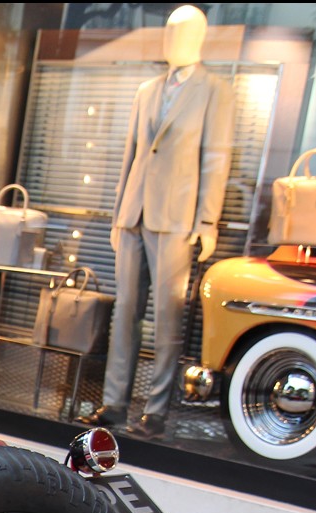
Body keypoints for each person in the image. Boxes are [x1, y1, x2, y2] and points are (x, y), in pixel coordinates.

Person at [82, 4, 233, 440]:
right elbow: (130, 155)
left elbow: (215, 160)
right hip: (135, 213)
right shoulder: (146, 90)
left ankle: (157, 409)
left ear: (200, 39)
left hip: (177, 219)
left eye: (183, 33)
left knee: (167, 317)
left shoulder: (214, 91)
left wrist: (208, 220)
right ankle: (114, 403)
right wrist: (118, 215)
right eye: (168, 32)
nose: (173, 41)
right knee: (125, 311)